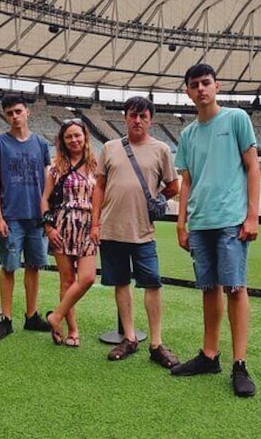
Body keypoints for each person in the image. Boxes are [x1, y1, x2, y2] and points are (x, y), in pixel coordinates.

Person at [171, 63, 261, 398]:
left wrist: (252, 216)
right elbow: (186, 181)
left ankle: (239, 363)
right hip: (200, 221)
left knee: (235, 288)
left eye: (206, 83)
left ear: (217, 86)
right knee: (209, 288)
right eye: (194, 85)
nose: (201, 89)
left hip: (230, 219)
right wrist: (181, 222)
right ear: (188, 91)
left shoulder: (236, 118)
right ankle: (209, 355)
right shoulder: (187, 135)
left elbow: (253, 168)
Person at [90, 96, 180, 368]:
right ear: (125, 117)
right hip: (112, 228)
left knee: (152, 283)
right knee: (120, 283)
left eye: (143, 116)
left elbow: (173, 186)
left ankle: (156, 343)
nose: (137, 120)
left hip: (143, 230)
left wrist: (157, 199)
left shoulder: (161, 149)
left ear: (150, 119)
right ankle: (129, 337)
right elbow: (99, 187)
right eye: (132, 115)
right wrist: (95, 223)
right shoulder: (109, 148)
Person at [0, 93, 52, 341]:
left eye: (18, 111)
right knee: (9, 267)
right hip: (11, 216)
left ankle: (32, 315)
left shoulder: (41, 145)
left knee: (34, 266)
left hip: (36, 217)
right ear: (5, 115)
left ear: (27, 112)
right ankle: (6, 319)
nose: (14, 116)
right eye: (10, 113)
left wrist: (47, 216)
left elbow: (47, 182)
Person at [42, 118, 99, 347]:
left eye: (77, 135)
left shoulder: (97, 165)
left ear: (85, 137)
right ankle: (72, 330)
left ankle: (55, 316)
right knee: (66, 279)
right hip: (62, 224)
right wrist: (49, 228)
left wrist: (97, 224)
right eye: (69, 137)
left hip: (89, 225)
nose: (74, 140)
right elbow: (44, 199)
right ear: (62, 142)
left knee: (87, 277)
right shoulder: (56, 167)